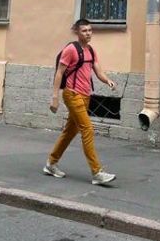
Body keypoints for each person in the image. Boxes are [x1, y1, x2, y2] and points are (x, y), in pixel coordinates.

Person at [44, 19, 117, 185]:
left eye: (90, 30)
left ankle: (51, 163)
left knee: (70, 131)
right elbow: (59, 73)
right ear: (77, 32)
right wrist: (55, 97)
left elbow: (98, 71)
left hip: (85, 96)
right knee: (87, 129)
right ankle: (97, 172)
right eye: (84, 31)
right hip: (72, 94)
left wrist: (108, 81)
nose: (88, 33)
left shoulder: (91, 50)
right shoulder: (71, 50)